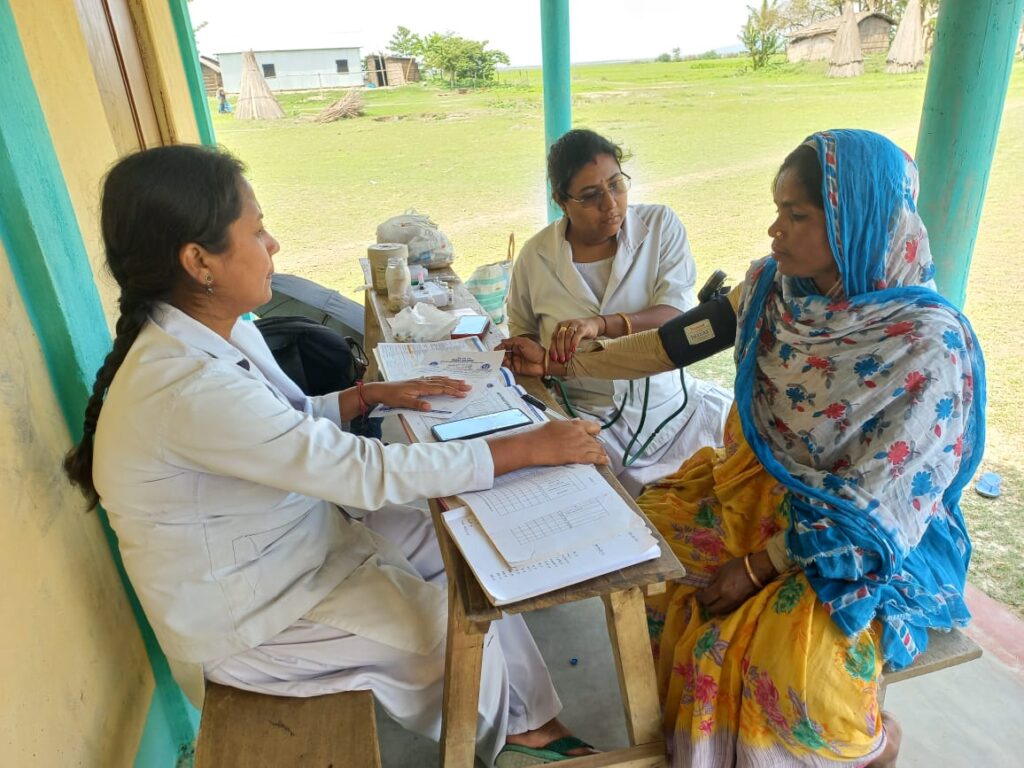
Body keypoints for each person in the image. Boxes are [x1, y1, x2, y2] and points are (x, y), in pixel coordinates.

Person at [62, 144, 607, 767]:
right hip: (254, 618)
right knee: (448, 636)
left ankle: (530, 725)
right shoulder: (186, 386)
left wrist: (364, 395)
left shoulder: (217, 328)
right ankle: (506, 743)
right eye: (257, 230)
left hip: (296, 541)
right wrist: (526, 446)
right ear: (198, 261)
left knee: (465, 543)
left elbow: (283, 429)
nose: (273, 246)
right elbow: (360, 473)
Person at [500, 129, 986, 767]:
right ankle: (688, 734)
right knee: (643, 555)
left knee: (784, 662)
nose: (774, 230)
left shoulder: (925, 344)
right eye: (777, 210)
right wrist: (568, 363)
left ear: (853, 219)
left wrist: (759, 566)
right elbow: (671, 345)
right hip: (758, 490)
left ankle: (870, 747)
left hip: (852, 540)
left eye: (796, 215)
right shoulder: (772, 289)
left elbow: (883, 509)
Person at [504, 129, 731, 497]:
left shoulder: (659, 226)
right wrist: (536, 358)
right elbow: (523, 330)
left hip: (672, 410)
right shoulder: (535, 256)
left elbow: (675, 316)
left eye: (616, 185)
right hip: (586, 420)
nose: (610, 204)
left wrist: (600, 325)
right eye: (591, 196)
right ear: (562, 200)